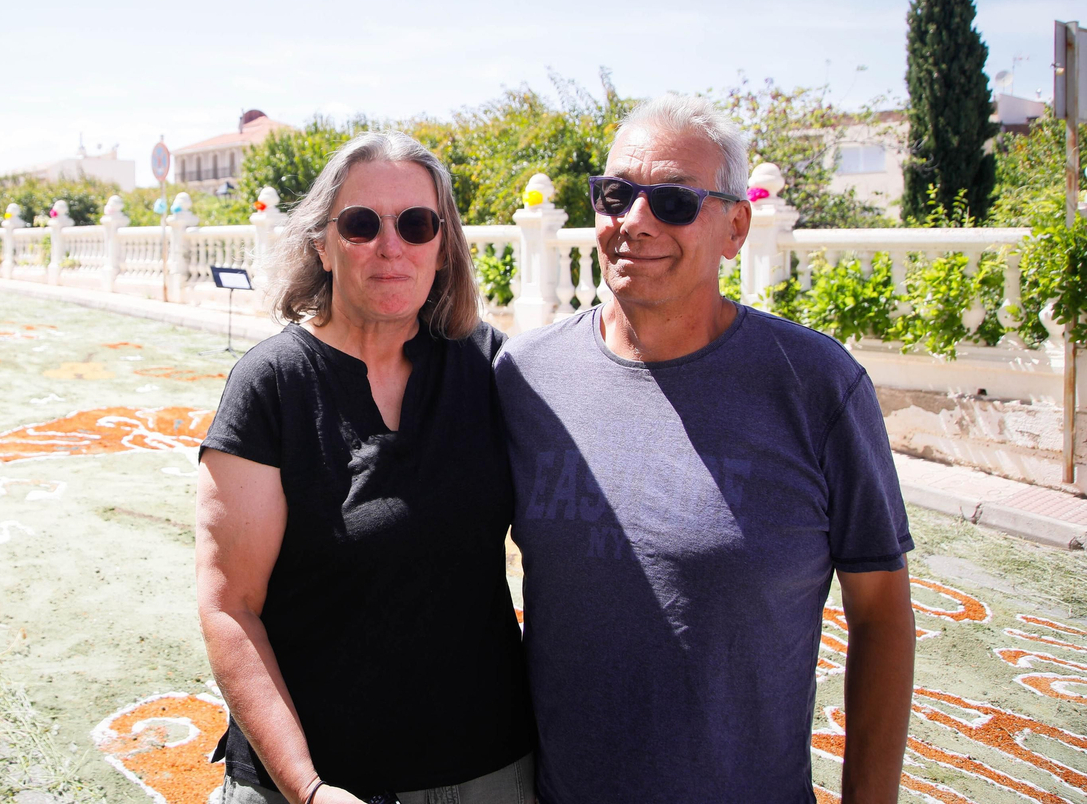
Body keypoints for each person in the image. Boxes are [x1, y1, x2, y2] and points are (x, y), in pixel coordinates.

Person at [495, 95, 917, 804]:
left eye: (673, 202)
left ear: (736, 227)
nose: (635, 221)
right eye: (616, 194)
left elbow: (880, 613)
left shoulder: (816, 386)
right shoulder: (525, 376)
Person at [196, 131, 535, 804]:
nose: (391, 245)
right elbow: (230, 606)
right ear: (321, 244)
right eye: (360, 225)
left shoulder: (490, 367)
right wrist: (309, 788)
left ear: (443, 246)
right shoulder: (271, 386)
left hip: (487, 765)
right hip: (321, 775)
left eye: (416, 224)